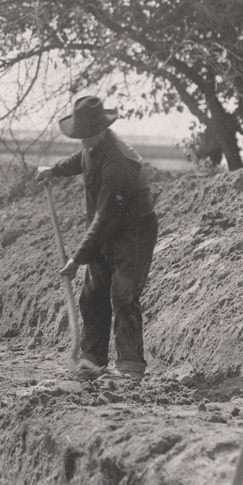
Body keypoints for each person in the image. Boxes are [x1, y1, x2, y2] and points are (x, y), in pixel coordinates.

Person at [36, 95, 160, 380]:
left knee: (123, 295)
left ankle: (130, 367)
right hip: (106, 229)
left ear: (102, 130)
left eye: (87, 135)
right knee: (92, 295)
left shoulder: (118, 161)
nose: (83, 140)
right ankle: (92, 360)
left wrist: (77, 259)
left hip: (133, 232)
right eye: (80, 135)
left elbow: (105, 218)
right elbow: (81, 160)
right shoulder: (92, 146)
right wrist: (54, 170)